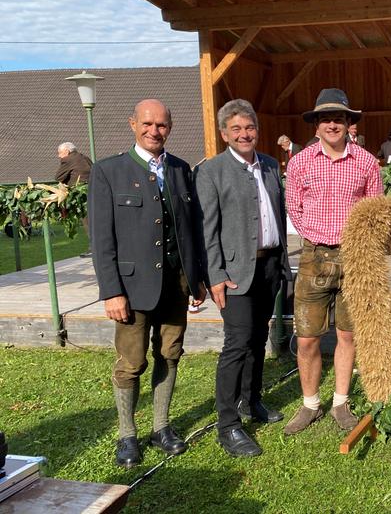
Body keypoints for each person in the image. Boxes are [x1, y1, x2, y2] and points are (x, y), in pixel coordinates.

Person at [88, 99, 206, 468]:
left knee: (170, 354)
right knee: (131, 363)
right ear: (132, 124)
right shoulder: (109, 171)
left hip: (175, 286)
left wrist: (196, 279)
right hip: (132, 289)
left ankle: (161, 427)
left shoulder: (181, 170)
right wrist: (111, 292)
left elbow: (191, 231)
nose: (154, 131)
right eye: (147, 123)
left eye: (162, 125)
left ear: (170, 128)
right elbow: (101, 239)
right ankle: (127, 436)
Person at [195, 99, 292, 457]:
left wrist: (281, 264)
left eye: (249, 127)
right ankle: (228, 425)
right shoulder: (212, 171)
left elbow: (277, 215)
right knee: (236, 344)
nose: (244, 134)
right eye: (235, 129)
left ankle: (252, 402)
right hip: (234, 273)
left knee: (257, 338)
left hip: (268, 268)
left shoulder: (268, 165)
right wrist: (215, 275)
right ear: (224, 134)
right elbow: (207, 229)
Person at [284, 88, 383, 435]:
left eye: (339, 118)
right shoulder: (300, 162)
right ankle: (311, 404)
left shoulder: (367, 162)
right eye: (325, 118)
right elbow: (293, 207)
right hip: (314, 255)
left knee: (348, 333)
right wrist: (317, 234)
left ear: (348, 124)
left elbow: (375, 210)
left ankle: (340, 401)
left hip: (355, 258)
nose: (332, 124)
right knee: (308, 337)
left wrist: (359, 244)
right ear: (315, 125)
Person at [55, 142, 93, 256]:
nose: (59, 156)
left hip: (81, 194)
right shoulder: (84, 157)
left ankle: (93, 249)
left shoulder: (68, 159)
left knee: (87, 221)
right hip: (93, 190)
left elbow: (58, 177)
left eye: (60, 153)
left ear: (66, 151)